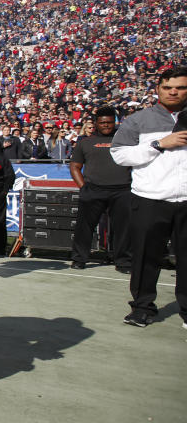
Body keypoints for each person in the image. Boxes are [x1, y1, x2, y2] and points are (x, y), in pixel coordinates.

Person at [110, 66, 187, 329]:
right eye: (167, 87)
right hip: (151, 198)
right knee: (145, 257)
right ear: (158, 90)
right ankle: (142, 307)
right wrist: (158, 144)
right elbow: (119, 155)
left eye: (180, 87)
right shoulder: (138, 120)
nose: (173, 91)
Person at [69, 107, 132, 272]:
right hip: (93, 190)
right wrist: (83, 187)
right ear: (96, 123)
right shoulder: (85, 142)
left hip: (122, 191)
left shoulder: (127, 141)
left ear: (115, 122)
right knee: (84, 227)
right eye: (102, 122)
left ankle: (123, 262)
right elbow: (75, 166)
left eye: (110, 122)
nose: (106, 125)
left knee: (123, 228)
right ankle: (79, 259)